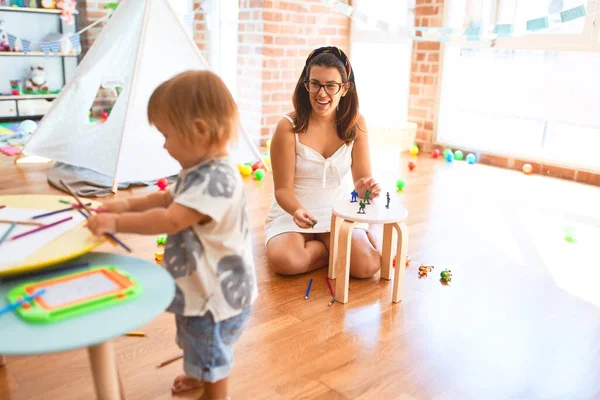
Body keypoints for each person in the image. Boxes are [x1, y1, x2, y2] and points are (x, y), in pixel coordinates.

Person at [86, 70, 258, 400]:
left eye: (166, 134)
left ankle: (213, 393)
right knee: (195, 343)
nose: (163, 145)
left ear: (199, 130)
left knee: (212, 359)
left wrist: (116, 225)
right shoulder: (199, 169)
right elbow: (166, 198)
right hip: (201, 289)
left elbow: (171, 217)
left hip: (216, 300)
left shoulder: (217, 180)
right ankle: (196, 378)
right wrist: (123, 207)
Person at [265, 46, 382, 278]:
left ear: (345, 88)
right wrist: (297, 209)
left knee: (367, 267)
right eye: (315, 84)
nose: (321, 93)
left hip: (336, 210)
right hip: (294, 211)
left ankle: (334, 247)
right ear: (305, 84)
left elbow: (361, 182)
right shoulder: (288, 127)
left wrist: (365, 190)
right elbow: (282, 190)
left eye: (331, 86)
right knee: (286, 261)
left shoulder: (356, 124)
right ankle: (329, 251)